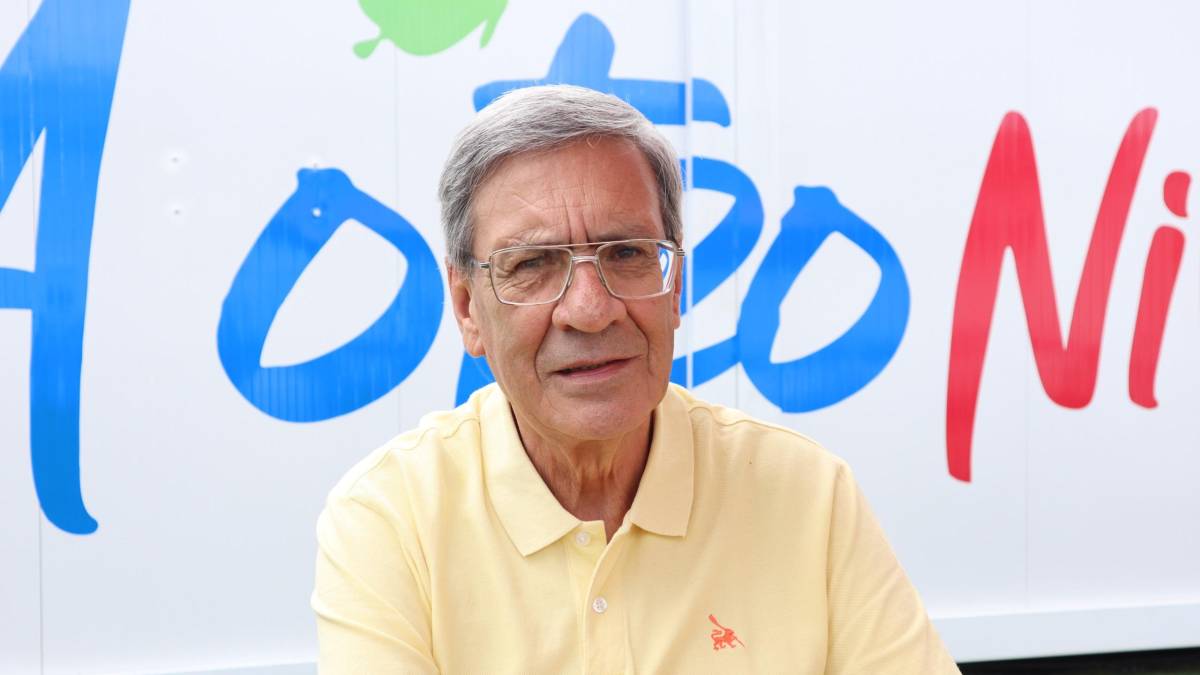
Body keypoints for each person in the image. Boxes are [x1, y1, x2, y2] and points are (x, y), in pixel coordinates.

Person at [312, 84, 960, 673]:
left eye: (626, 253)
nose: (590, 310)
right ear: (466, 308)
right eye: (533, 264)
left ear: (675, 286)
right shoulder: (392, 518)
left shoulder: (808, 495)